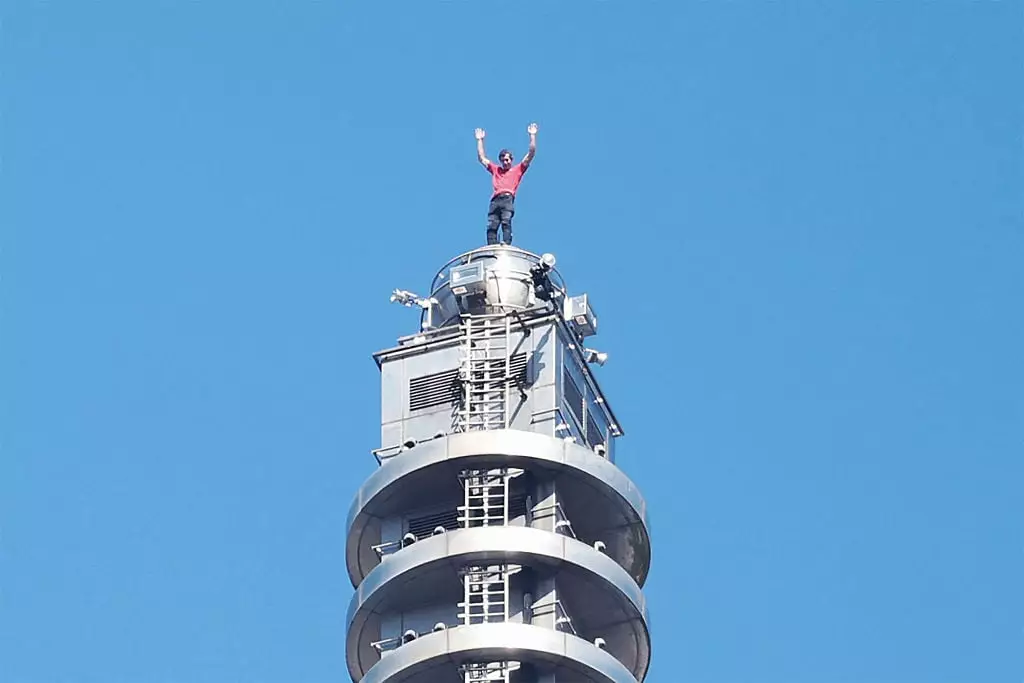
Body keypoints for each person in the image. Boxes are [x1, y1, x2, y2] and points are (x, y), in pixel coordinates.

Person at [475, 123, 537, 246]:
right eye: (503, 160)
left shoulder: (518, 169)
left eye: (507, 160)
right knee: (492, 225)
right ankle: (491, 247)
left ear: (511, 160)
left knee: (506, 221)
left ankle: (506, 243)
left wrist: (532, 135)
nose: (505, 162)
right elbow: (482, 158)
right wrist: (480, 140)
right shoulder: (496, 169)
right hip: (495, 200)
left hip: (507, 198)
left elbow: (531, 154)